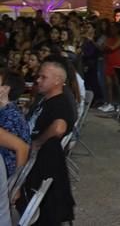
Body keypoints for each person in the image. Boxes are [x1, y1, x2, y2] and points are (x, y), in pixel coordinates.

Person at [21, 57, 76, 225]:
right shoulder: (45, 99)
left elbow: (59, 128)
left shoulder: (60, 102)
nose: (38, 80)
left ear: (58, 80)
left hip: (42, 163)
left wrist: (38, 141)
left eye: (43, 77)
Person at [0, 70, 30, 177]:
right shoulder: (9, 110)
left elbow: (21, 149)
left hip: (6, 175)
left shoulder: (10, 117)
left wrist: (15, 186)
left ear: (5, 89)